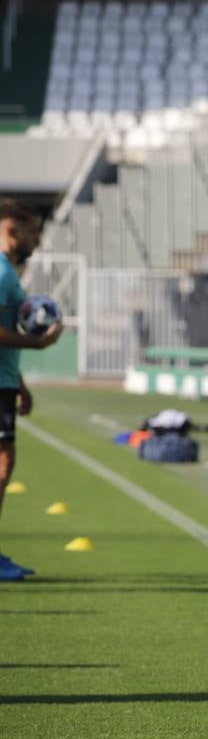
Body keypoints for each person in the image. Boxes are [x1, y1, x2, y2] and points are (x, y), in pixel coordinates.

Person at [0, 200, 64, 581]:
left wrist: (19, 384)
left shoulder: (9, 272)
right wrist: (38, 345)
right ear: (12, 230)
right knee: (3, 464)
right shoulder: (2, 274)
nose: (37, 239)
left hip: (5, 382)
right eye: (33, 231)